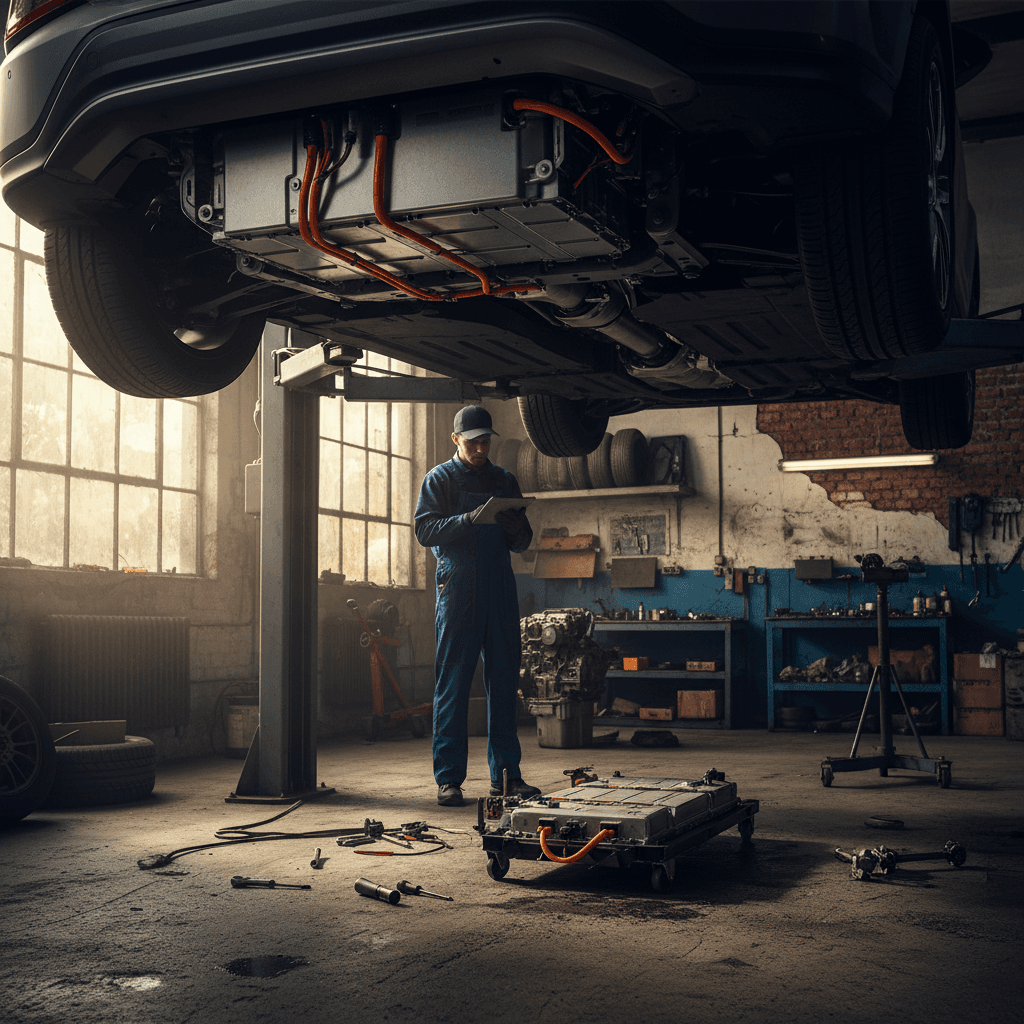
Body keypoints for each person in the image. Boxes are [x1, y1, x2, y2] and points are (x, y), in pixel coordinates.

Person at [414, 405, 541, 807]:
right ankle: (449, 779)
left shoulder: (504, 480)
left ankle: (506, 777)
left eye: (486, 441)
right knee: (453, 683)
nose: (481, 448)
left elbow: (523, 542)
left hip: (500, 587)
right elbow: (424, 530)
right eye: (473, 442)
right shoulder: (439, 479)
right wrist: (469, 519)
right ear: (456, 439)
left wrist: (516, 529)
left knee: (503, 682)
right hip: (459, 589)